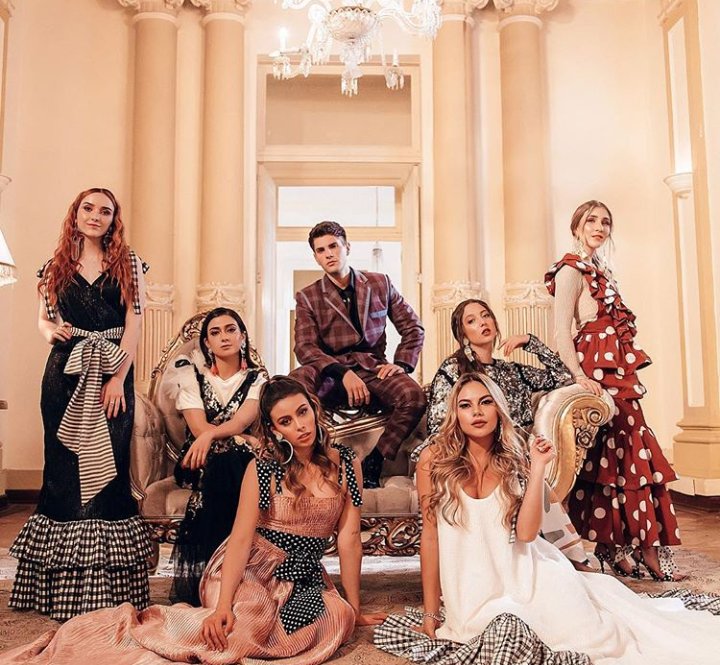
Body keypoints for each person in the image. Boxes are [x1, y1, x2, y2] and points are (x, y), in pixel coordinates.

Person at [0, 376, 386, 664]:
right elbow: (240, 540)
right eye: (285, 420)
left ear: (314, 409)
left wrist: (355, 606)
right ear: (273, 429)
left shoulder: (347, 463)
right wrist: (223, 607)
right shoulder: (263, 469)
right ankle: (159, 626)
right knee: (239, 633)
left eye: (302, 412)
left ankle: (300, 617)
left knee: (337, 620)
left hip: (302, 574)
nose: (299, 425)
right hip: (249, 568)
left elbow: (349, 538)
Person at [375, 373, 720, 665]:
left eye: (485, 402)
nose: (476, 412)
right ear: (455, 414)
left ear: (498, 409)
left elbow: (527, 535)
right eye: (465, 405)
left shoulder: (515, 459)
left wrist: (538, 467)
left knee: (597, 639)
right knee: (485, 629)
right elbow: (431, 538)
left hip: (532, 577)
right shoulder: (433, 461)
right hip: (471, 594)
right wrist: (432, 613)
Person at [9, 188, 152, 621]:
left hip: (112, 371)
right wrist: (48, 332)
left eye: (105, 211)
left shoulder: (129, 263)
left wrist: (119, 378)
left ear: (114, 220)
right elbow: (43, 319)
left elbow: (135, 323)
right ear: (75, 214)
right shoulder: (55, 265)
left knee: (109, 471)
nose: (96, 216)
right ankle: (59, 591)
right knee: (63, 470)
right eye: (88, 208)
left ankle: (108, 592)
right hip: (64, 373)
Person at [545, 200, 682, 581]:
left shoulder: (602, 270)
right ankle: (642, 547)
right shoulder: (570, 270)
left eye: (605, 222)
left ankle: (615, 545)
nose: (599, 227)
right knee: (625, 449)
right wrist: (578, 375)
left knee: (620, 453)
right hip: (595, 367)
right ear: (576, 226)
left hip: (618, 367)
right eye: (591, 220)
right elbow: (562, 332)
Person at [420, 298, 591, 570]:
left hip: (514, 454)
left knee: (529, 476)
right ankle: (571, 560)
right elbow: (438, 425)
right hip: (471, 453)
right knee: (525, 476)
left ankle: (555, 563)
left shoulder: (512, 371)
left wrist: (531, 342)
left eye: (486, 315)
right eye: (472, 321)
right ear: (463, 335)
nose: (482, 323)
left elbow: (563, 378)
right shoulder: (454, 371)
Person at [290, 220, 426, 488]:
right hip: (330, 373)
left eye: (333, 246)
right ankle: (311, 459)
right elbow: (304, 347)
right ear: (316, 257)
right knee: (295, 383)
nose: (328, 254)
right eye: (321, 250)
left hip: (373, 368)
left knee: (414, 396)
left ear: (347, 247)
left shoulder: (380, 283)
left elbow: (413, 327)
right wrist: (342, 373)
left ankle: (375, 461)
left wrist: (402, 364)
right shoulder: (308, 296)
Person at [168, 307, 268, 605]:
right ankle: (222, 577)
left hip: (238, 462)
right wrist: (240, 438)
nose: (224, 337)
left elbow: (241, 419)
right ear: (207, 343)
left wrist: (222, 435)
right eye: (215, 332)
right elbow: (198, 428)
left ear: (242, 336)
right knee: (229, 459)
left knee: (231, 461)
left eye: (230, 329)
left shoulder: (257, 379)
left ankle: (226, 577)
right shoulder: (190, 376)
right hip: (198, 460)